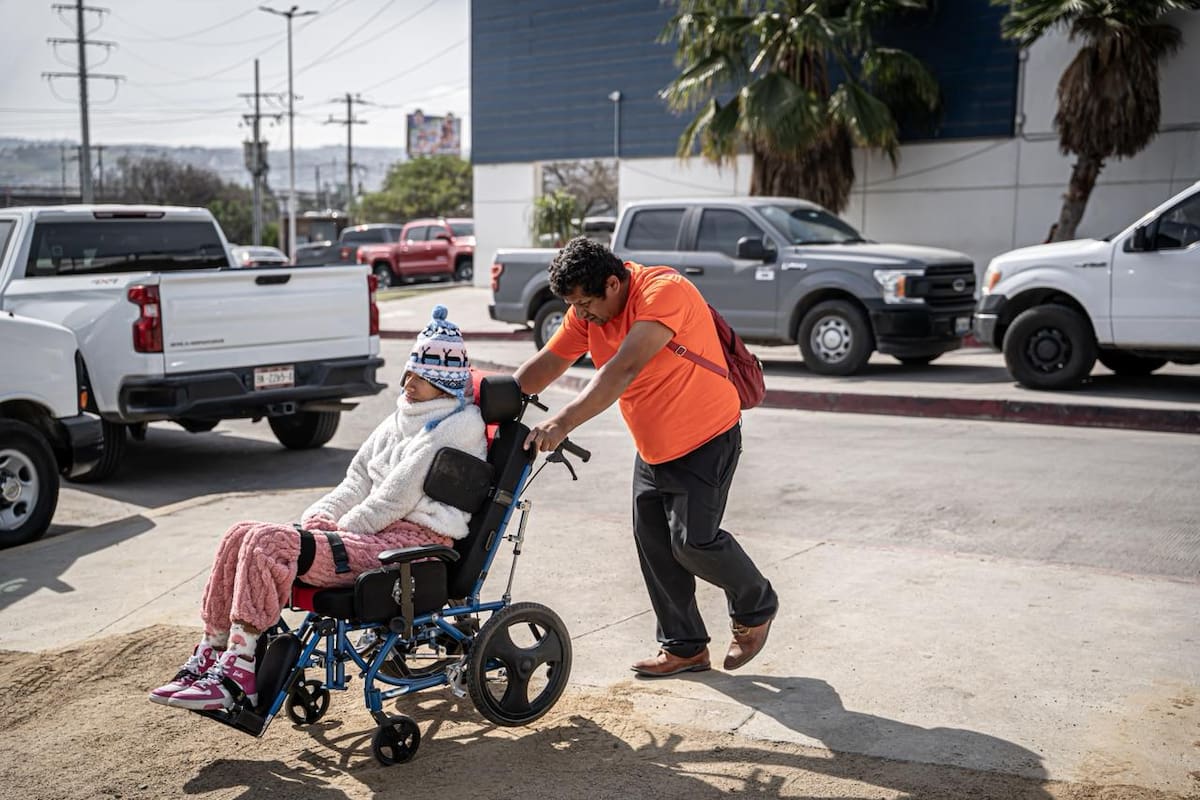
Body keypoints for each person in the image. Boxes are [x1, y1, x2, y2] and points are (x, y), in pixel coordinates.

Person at [149, 305, 486, 711]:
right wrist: (320, 517)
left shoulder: (458, 425)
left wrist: (337, 533)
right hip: (371, 534)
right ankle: (212, 651)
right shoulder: (403, 417)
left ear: (446, 383)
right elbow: (357, 479)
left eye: (421, 377)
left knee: (271, 544)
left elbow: (397, 496)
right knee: (240, 533)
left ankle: (239, 673)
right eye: (409, 374)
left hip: (411, 543)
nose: (408, 383)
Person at [514, 237, 778, 678]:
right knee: (655, 545)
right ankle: (684, 647)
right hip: (654, 447)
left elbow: (623, 368)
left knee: (693, 542)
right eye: (573, 306)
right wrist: (494, 400)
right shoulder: (588, 313)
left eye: (585, 304)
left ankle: (756, 606)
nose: (580, 314)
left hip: (706, 438)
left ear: (613, 283)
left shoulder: (662, 291)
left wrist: (561, 423)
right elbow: (549, 362)